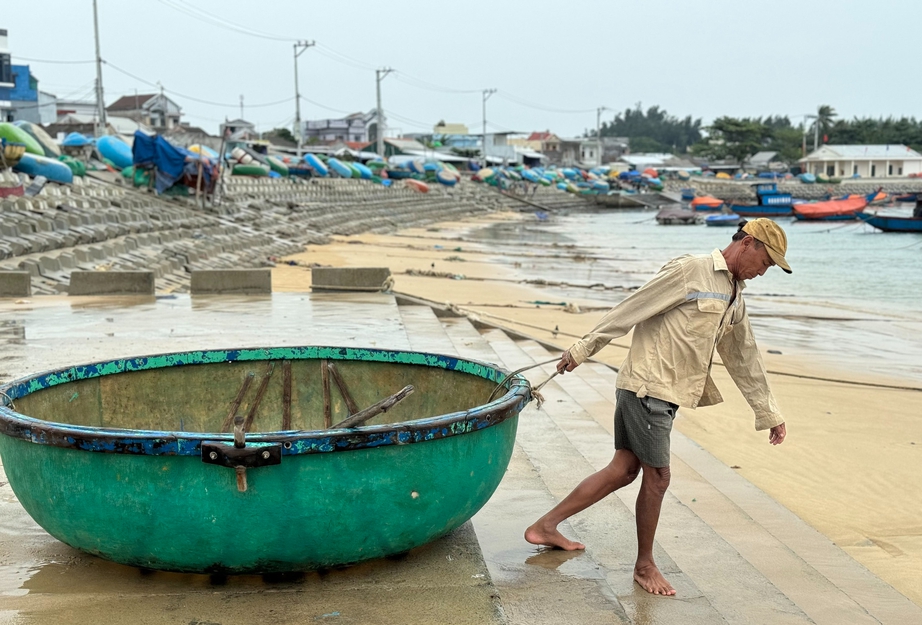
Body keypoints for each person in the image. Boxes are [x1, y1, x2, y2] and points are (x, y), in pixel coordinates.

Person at [524, 218, 791, 596]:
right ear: (748, 243)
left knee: (624, 469)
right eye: (766, 262)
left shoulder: (734, 293)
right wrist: (583, 349)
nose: (765, 271)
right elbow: (631, 309)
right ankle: (644, 566)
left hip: (664, 394)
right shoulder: (690, 270)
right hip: (647, 388)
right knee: (658, 477)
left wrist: (769, 413)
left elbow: (743, 355)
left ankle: (545, 527)